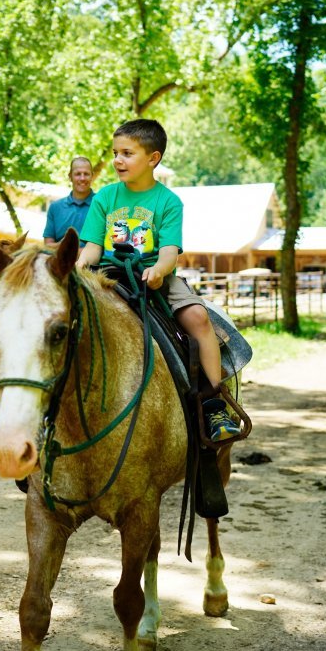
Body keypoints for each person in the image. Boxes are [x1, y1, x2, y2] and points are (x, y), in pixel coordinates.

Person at [75, 118, 240, 443]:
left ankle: (213, 404)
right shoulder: (105, 198)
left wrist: (160, 271)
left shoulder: (167, 202)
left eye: (127, 153)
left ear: (153, 158)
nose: (117, 160)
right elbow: (92, 248)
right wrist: (77, 269)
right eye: (115, 153)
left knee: (198, 318)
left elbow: (168, 252)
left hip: (155, 277)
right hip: (109, 275)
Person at [43, 156, 94, 246]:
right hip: (60, 258)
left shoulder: (102, 204)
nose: (82, 178)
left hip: (94, 259)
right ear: (70, 176)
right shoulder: (55, 207)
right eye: (78, 174)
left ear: (92, 176)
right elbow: (48, 244)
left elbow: (105, 246)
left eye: (86, 174)